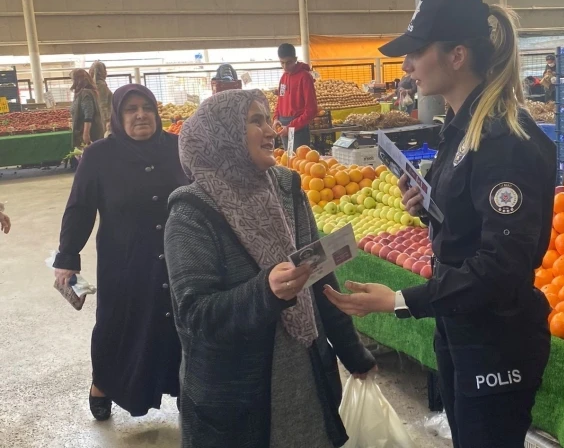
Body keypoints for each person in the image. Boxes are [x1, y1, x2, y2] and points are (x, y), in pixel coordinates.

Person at [323, 0, 556, 448]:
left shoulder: (504, 141)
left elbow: (501, 266)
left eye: (416, 51)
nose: (405, 66)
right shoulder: (459, 128)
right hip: (461, 328)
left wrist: (400, 301)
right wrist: (433, 212)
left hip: (496, 339)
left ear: (457, 55)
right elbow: (470, 225)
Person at [164, 89, 375, 448]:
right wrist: (265, 292)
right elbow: (195, 316)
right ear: (223, 134)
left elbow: (320, 274)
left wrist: (351, 350)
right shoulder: (191, 213)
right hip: (237, 394)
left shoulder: (287, 187)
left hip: (305, 374)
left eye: (268, 118)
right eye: (255, 120)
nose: (271, 130)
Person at [53, 84, 188, 421]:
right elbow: (80, 209)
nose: (141, 114)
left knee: (180, 326)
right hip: (125, 262)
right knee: (117, 325)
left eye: (147, 107)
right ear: (116, 115)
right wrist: (67, 258)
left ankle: (187, 385)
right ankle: (103, 384)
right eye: (131, 109)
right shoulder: (98, 156)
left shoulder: (179, 147)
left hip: (179, 259)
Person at [273, 43, 318, 151]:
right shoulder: (283, 77)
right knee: (288, 161)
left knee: (299, 162)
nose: (285, 66)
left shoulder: (305, 77)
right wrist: (275, 119)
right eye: (282, 63)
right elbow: (280, 100)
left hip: (298, 128)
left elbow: (311, 110)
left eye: (288, 62)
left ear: (295, 59)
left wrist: (291, 127)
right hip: (283, 126)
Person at [70, 69, 104, 147]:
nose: (72, 82)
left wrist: (86, 133)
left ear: (78, 80)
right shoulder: (82, 93)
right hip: (83, 130)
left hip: (88, 132)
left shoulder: (85, 93)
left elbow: (88, 114)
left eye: (73, 79)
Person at [89, 61, 113, 133]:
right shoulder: (100, 85)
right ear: (101, 71)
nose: (106, 72)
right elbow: (103, 104)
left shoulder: (93, 85)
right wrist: (107, 120)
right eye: (105, 70)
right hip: (103, 120)